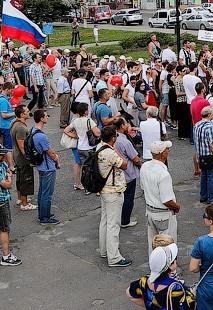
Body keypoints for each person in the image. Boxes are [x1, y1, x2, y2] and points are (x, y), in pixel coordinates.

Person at [96, 125, 132, 267]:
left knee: (105, 221)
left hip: (104, 189)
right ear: (113, 138)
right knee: (113, 225)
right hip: (113, 191)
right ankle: (114, 257)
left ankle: (104, 251)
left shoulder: (99, 147)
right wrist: (115, 149)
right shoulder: (111, 153)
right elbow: (124, 164)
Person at [140, 140, 179, 242]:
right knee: (167, 244)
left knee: (153, 243)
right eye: (167, 150)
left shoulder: (145, 166)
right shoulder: (163, 174)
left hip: (150, 211)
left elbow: (143, 187)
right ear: (162, 154)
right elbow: (167, 200)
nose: (168, 151)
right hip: (163, 214)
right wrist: (177, 207)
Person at [30, 109, 61, 224]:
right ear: (41, 119)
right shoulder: (41, 136)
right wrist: (56, 159)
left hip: (41, 166)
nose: (47, 117)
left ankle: (43, 213)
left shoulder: (33, 131)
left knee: (42, 191)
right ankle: (44, 217)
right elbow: (50, 152)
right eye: (46, 116)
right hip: (47, 167)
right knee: (47, 193)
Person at [65, 102, 100, 191]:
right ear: (85, 112)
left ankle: (84, 183)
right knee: (92, 167)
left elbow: (66, 130)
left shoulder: (75, 121)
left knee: (84, 167)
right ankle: (91, 185)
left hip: (80, 147)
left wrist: (76, 136)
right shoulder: (89, 121)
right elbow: (97, 133)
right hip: (88, 148)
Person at [9, 105, 36, 210]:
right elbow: (22, 146)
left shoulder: (14, 123)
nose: (29, 112)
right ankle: (25, 204)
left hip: (16, 156)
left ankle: (20, 198)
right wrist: (29, 158)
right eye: (27, 111)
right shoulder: (20, 128)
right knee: (25, 179)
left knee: (20, 178)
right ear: (22, 114)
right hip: (22, 158)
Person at [193, 106, 213, 203]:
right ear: (209, 115)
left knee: (204, 176)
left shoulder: (197, 125)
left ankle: (203, 196)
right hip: (209, 156)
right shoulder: (210, 126)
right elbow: (212, 145)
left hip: (201, 155)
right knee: (211, 177)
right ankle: (211, 198)